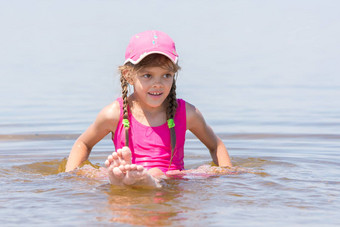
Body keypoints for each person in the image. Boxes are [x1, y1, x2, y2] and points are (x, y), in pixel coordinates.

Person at [65, 30, 232, 188]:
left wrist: (228, 174)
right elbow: (83, 143)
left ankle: (144, 179)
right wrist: (70, 176)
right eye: (147, 75)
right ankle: (124, 176)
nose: (157, 83)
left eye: (166, 75)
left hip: (169, 179)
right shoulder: (114, 114)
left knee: (160, 172)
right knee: (99, 172)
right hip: (129, 174)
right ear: (128, 76)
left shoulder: (186, 113)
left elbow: (216, 145)